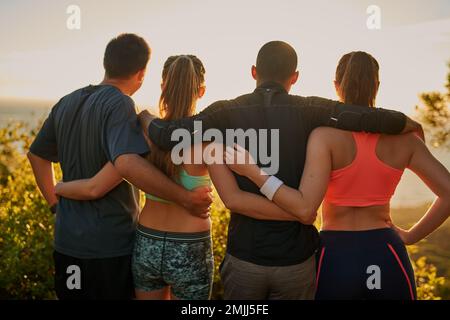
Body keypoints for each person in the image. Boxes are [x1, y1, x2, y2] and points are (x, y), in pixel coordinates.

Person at [139, 41, 423, 300]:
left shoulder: (223, 113)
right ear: (294, 77)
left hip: (244, 258)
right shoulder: (311, 110)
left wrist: (146, 117)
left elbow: (170, 135)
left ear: (253, 72)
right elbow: (358, 116)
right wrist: (402, 122)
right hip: (296, 261)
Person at [55, 54, 301, 300]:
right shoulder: (209, 141)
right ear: (201, 91)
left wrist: (61, 187)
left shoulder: (141, 131)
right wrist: (294, 212)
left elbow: (102, 180)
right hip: (189, 246)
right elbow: (234, 200)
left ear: (163, 86)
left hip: (147, 243)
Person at [225, 51, 450, 300]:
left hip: (334, 254)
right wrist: (410, 235)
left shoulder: (324, 136)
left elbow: (304, 203)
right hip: (385, 251)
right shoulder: (407, 141)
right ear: (377, 85)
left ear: (336, 86)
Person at [27, 34, 212, 300]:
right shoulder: (121, 104)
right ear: (141, 73)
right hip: (109, 246)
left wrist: (55, 202)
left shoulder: (66, 101)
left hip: (67, 243)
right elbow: (126, 164)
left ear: (107, 63)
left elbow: (36, 156)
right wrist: (185, 197)